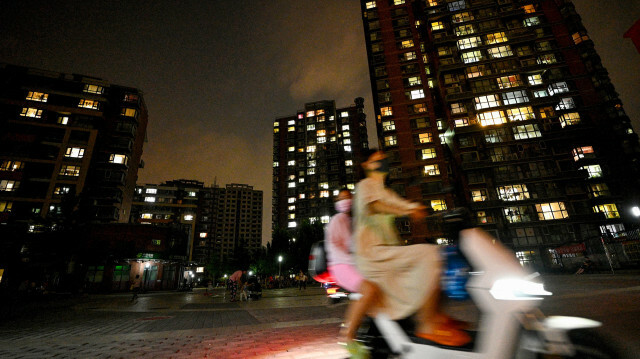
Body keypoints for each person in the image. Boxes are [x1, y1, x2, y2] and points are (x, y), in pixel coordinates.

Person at [353, 149, 470, 346]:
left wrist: (416, 208)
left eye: (384, 159)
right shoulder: (366, 185)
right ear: (365, 166)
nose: (382, 162)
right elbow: (374, 206)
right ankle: (426, 324)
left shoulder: (386, 191)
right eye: (377, 160)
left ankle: (436, 316)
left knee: (439, 258)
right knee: (429, 254)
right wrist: (407, 210)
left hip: (384, 252)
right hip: (372, 253)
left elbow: (400, 203)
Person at [325, 189, 381, 352]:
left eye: (348, 197)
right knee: (369, 290)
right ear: (336, 202)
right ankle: (348, 336)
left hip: (355, 265)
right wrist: (354, 258)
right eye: (341, 198)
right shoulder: (337, 220)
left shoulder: (353, 221)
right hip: (341, 266)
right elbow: (334, 247)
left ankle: (373, 331)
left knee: (378, 291)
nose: (345, 201)